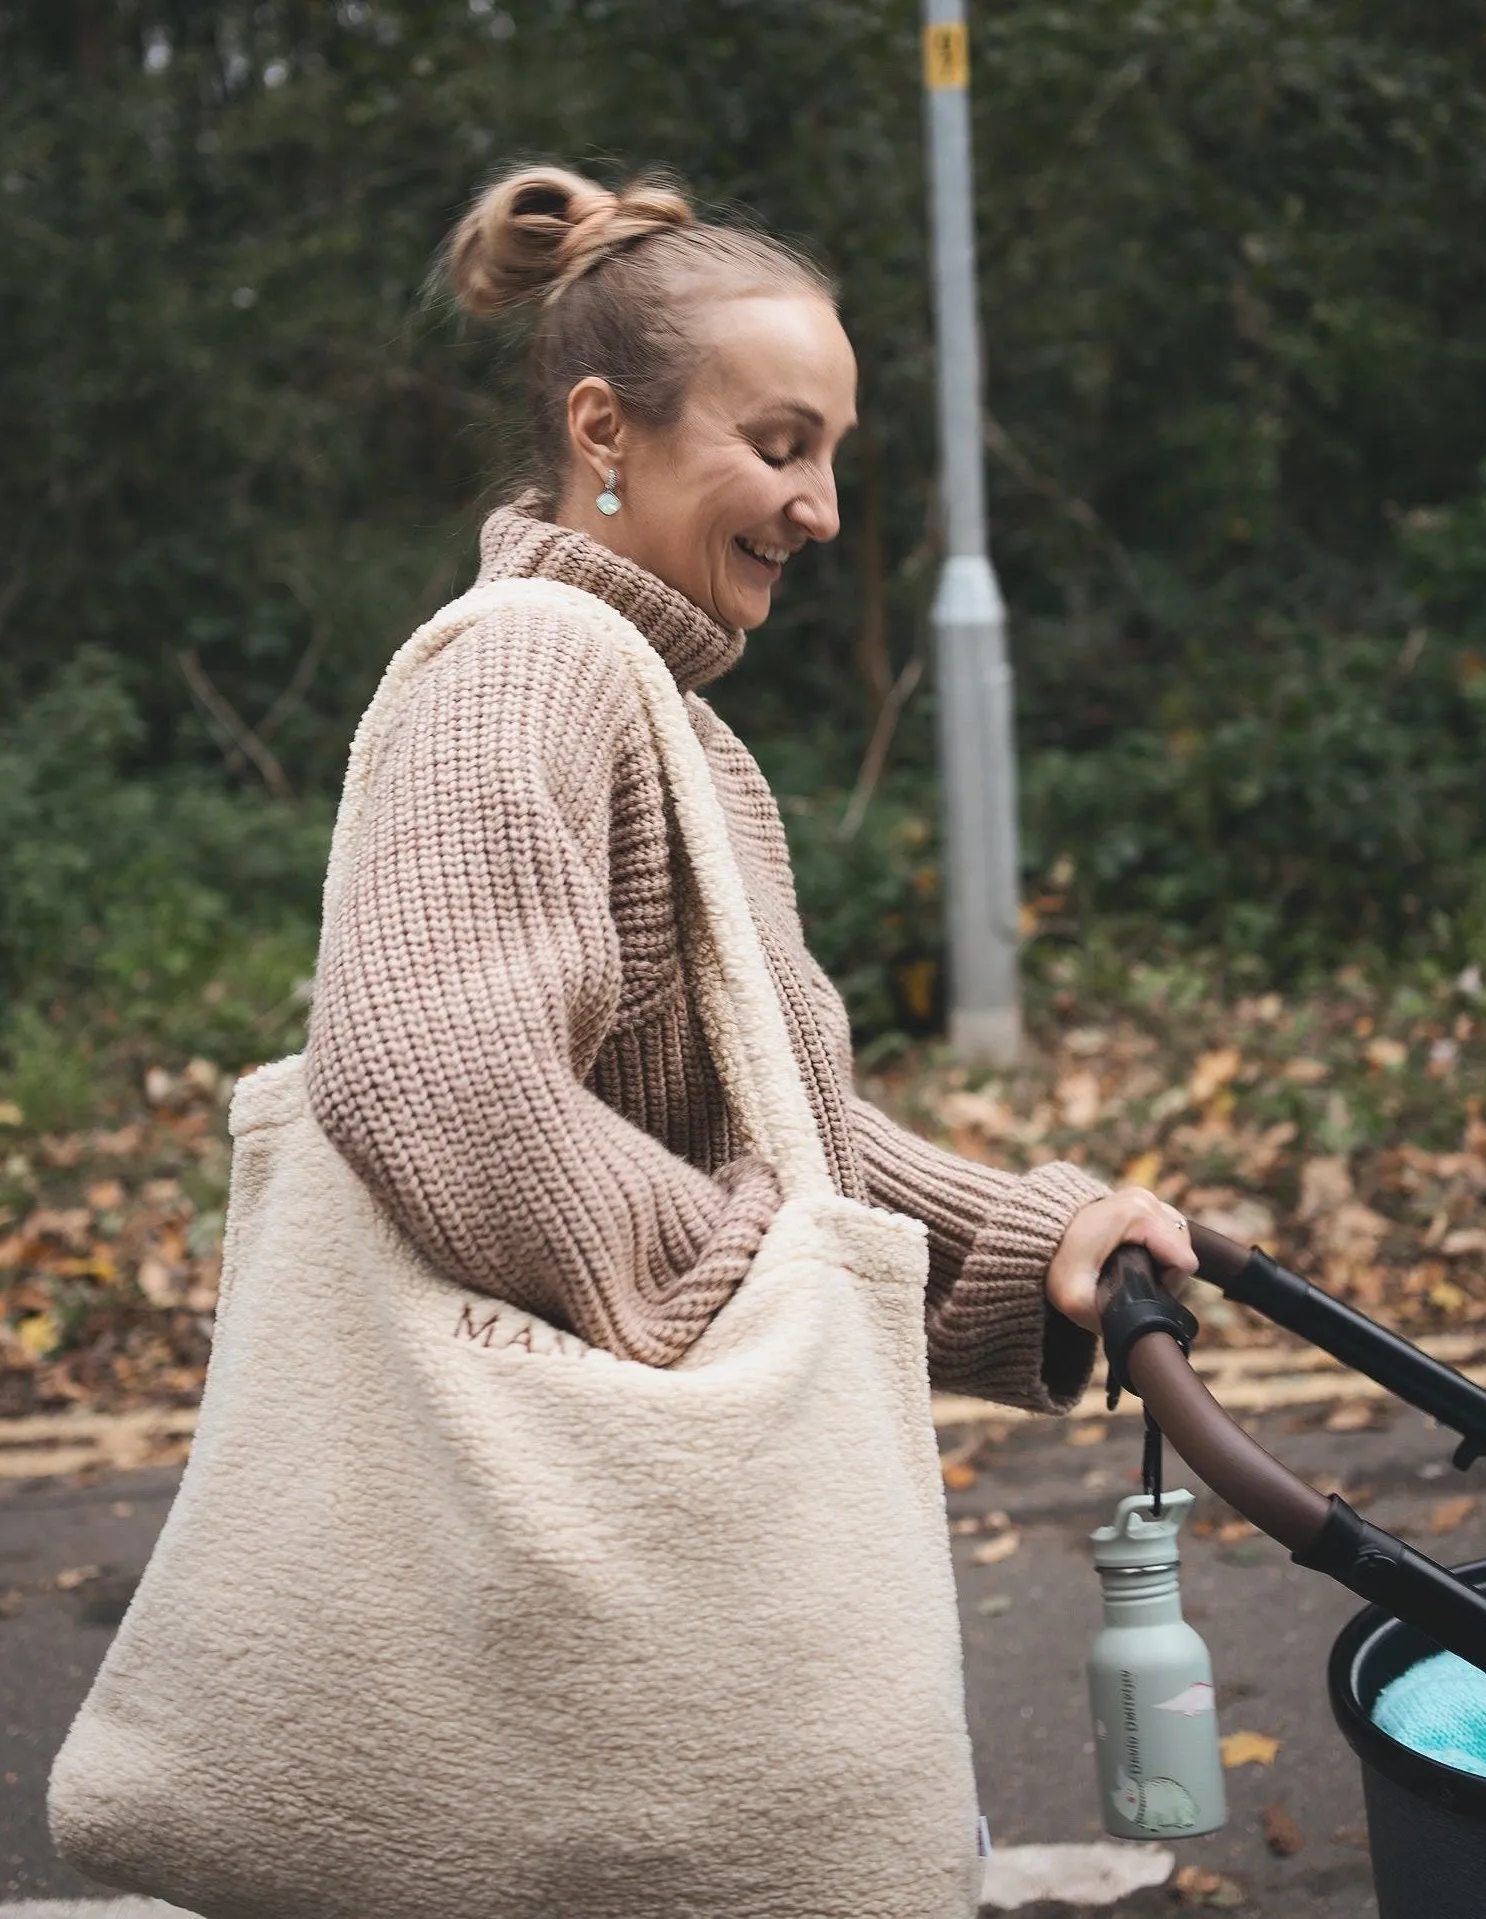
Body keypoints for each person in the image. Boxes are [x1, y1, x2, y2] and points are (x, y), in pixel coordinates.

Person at [305, 162, 1195, 1413]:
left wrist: (1032, 1236)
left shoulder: (671, 720)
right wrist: (758, 1295)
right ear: (604, 429)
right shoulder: (528, 665)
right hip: (582, 1526)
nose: (822, 510)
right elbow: (431, 1074)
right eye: (780, 447)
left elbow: (760, 1123)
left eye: (830, 455)